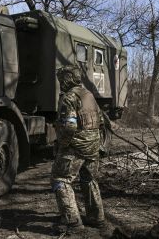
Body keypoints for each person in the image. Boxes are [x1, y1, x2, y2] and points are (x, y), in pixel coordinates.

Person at [52, 65, 112, 237]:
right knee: (89, 180)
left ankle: (72, 223)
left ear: (67, 78)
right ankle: (96, 218)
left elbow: (69, 126)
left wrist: (62, 145)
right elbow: (102, 121)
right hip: (93, 146)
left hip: (75, 148)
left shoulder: (69, 97)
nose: (60, 82)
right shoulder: (89, 95)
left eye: (61, 78)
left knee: (61, 179)